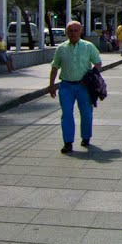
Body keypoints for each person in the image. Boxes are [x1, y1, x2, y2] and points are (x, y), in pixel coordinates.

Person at [48, 21, 102, 153]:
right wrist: (51, 85)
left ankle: (86, 137)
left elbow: (98, 63)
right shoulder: (61, 48)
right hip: (66, 85)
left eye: (75, 30)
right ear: (66, 32)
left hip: (83, 86)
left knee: (86, 113)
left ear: (81, 31)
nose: (73, 33)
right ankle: (68, 142)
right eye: (70, 31)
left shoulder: (88, 46)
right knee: (66, 114)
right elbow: (55, 67)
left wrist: (91, 77)